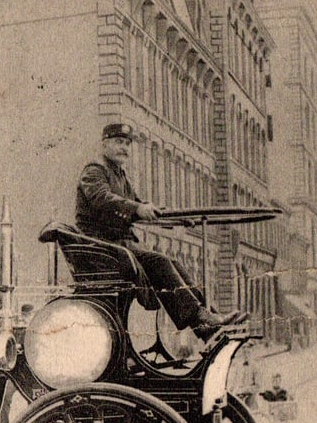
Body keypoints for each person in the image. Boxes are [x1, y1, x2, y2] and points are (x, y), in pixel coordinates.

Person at [76, 123, 245, 342]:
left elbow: (137, 203)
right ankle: (203, 323)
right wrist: (138, 208)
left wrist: (171, 218)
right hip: (101, 247)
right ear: (104, 143)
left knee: (174, 262)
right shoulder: (95, 170)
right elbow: (103, 199)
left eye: (127, 144)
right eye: (119, 142)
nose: (124, 148)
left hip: (119, 247)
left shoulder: (119, 174)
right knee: (160, 262)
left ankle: (208, 316)